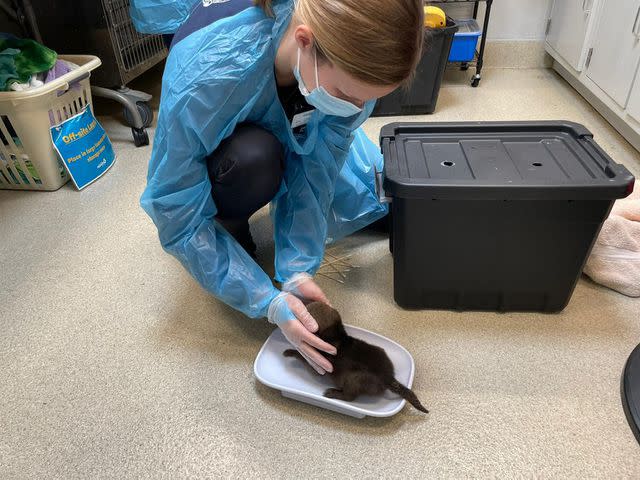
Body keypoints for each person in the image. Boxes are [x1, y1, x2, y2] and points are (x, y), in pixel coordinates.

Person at [139, 0, 424, 376]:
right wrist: (264, 300)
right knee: (253, 159)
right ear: (305, 40)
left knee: (326, 163)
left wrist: (297, 270)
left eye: (368, 99)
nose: (357, 108)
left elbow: (315, 171)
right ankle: (229, 219)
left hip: (289, 84)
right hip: (223, 107)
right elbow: (175, 209)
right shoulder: (207, 79)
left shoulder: (341, 85)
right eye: (346, 93)